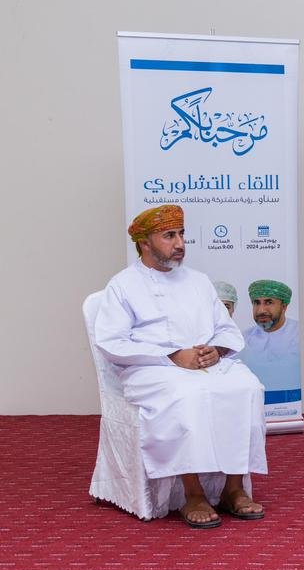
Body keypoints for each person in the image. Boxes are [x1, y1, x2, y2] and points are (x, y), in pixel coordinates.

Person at [93, 205, 267, 529]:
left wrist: (216, 350)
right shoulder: (123, 285)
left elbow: (226, 329)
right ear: (145, 243)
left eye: (182, 234)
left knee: (247, 388)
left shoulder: (198, 281)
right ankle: (193, 493)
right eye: (169, 236)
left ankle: (233, 488)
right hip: (151, 369)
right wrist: (172, 356)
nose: (180, 243)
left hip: (205, 364)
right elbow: (111, 342)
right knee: (188, 396)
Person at [238, 279, 302, 407]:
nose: (261, 310)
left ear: (284, 306)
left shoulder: (300, 334)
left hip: (291, 403)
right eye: (256, 303)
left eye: (269, 302)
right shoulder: (243, 338)